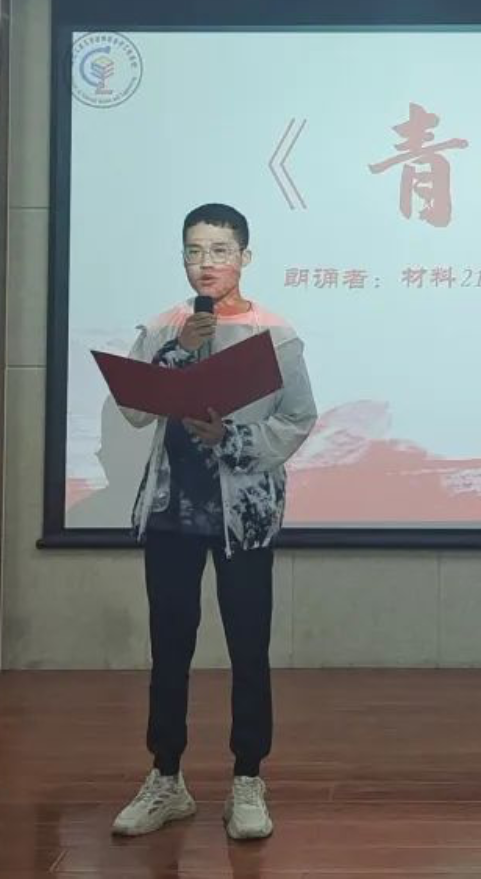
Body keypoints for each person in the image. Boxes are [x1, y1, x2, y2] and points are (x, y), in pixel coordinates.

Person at [110, 203, 318, 843]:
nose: (206, 264)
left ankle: (248, 778)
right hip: (171, 510)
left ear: (244, 258)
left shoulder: (274, 334)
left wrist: (233, 438)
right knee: (169, 646)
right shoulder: (162, 326)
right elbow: (134, 410)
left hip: (243, 515)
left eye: (220, 251)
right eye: (194, 251)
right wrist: (175, 351)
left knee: (248, 647)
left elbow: (298, 417)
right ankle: (166, 778)